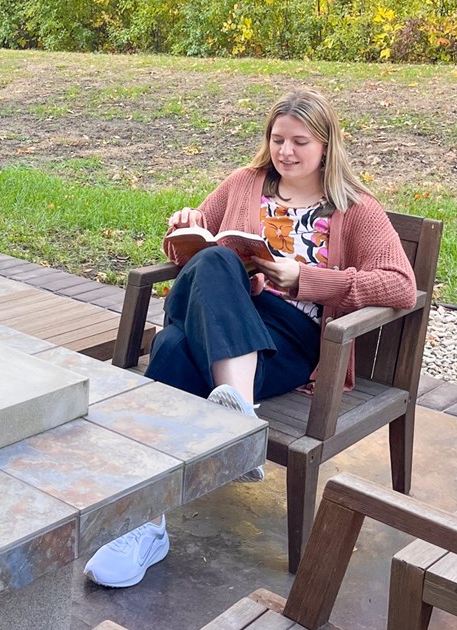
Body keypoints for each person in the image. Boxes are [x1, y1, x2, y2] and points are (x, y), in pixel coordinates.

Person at [83, 88, 417, 588]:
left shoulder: (355, 208)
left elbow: (401, 285)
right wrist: (186, 225)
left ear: (327, 145)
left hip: (287, 342)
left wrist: (306, 280)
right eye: (278, 139)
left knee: (172, 348)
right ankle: (238, 414)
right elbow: (192, 255)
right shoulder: (244, 183)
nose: (286, 151)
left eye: (300, 141)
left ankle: (142, 524)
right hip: (228, 315)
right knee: (217, 260)